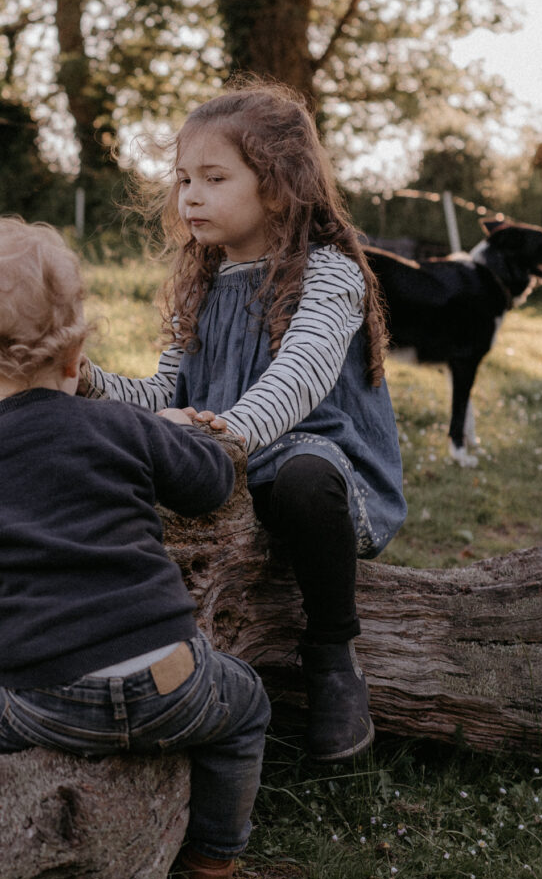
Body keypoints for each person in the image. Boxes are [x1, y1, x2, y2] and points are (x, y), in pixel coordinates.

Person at [0, 219, 271, 879]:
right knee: (245, 707)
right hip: (173, 679)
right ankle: (211, 869)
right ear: (76, 353)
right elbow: (211, 485)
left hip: (37, 697)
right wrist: (179, 434)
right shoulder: (121, 426)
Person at [82, 81, 405, 761]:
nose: (189, 196)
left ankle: (331, 654)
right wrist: (82, 380)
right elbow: (162, 391)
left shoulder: (329, 274)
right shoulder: (205, 279)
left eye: (213, 178)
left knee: (305, 478)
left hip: (310, 458)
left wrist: (220, 439)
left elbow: (297, 381)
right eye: (182, 180)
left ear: (279, 187)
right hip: (222, 459)